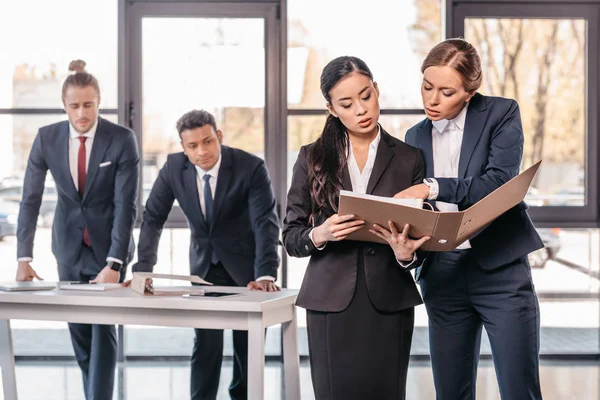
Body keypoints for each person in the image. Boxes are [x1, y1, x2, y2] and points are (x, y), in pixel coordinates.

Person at [396, 38, 544, 399]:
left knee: (518, 389)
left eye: (446, 91)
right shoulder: (414, 136)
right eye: (427, 86)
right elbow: (419, 213)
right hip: (442, 276)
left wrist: (431, 187)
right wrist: (407, 249)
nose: (432, 99)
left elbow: (497, 183)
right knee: (450, 392)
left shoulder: (501, 113)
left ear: (468, 92)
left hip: (501, 272)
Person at [282, 56, 429, 400]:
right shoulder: (312, 157)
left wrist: (407, 254)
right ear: (332, 109)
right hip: (330, 300)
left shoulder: (410, 158)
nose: (361, 109)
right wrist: (322, 233)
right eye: (347, 104)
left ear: (377, 91)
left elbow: (424, 236)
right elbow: (290, 236)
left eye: (366, 96)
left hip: (390, 299)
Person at [132, 109, 280, 400]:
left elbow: (266, 221)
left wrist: (265, 272)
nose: (202, 151)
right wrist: (144, 270)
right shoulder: (174, 168)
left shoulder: (250, 167)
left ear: (219, 137)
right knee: (206, 344)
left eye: (208, 141)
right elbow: (152, 219)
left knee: (247, 347)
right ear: (183, 147)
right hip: (204, 270)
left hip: (247, 270)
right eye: (193, 145)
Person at [16, 59, 139, 400]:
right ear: (64, 106)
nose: (82, 113)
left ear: (98, 102)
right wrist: (24, 256)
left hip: (108, 248)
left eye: (89, 105)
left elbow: (126, 205)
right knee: (79, 329)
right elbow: (30, 199)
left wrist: (115, 263)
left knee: (103, 329)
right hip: (68, 247)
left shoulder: (122, 140)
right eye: (75, 105)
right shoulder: (47, 139)